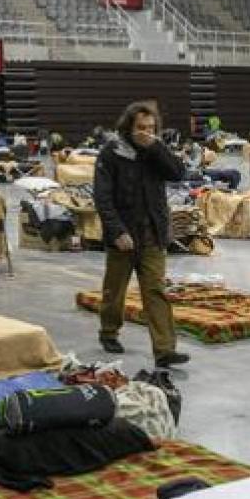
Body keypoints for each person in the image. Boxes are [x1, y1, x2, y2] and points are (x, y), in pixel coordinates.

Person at [93, 100, 190, 368]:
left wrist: (157, 148)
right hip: (123, 238)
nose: (146, 132)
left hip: (153, 235)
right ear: (129, 126)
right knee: (115, 291)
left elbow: (179, 173)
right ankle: (109, 331)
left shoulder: (156, 151)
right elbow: (102, 198)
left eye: (151, 127)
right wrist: (116, 232)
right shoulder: (111, 153)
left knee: (156, 291)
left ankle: (164, 350)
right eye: (140, 127)